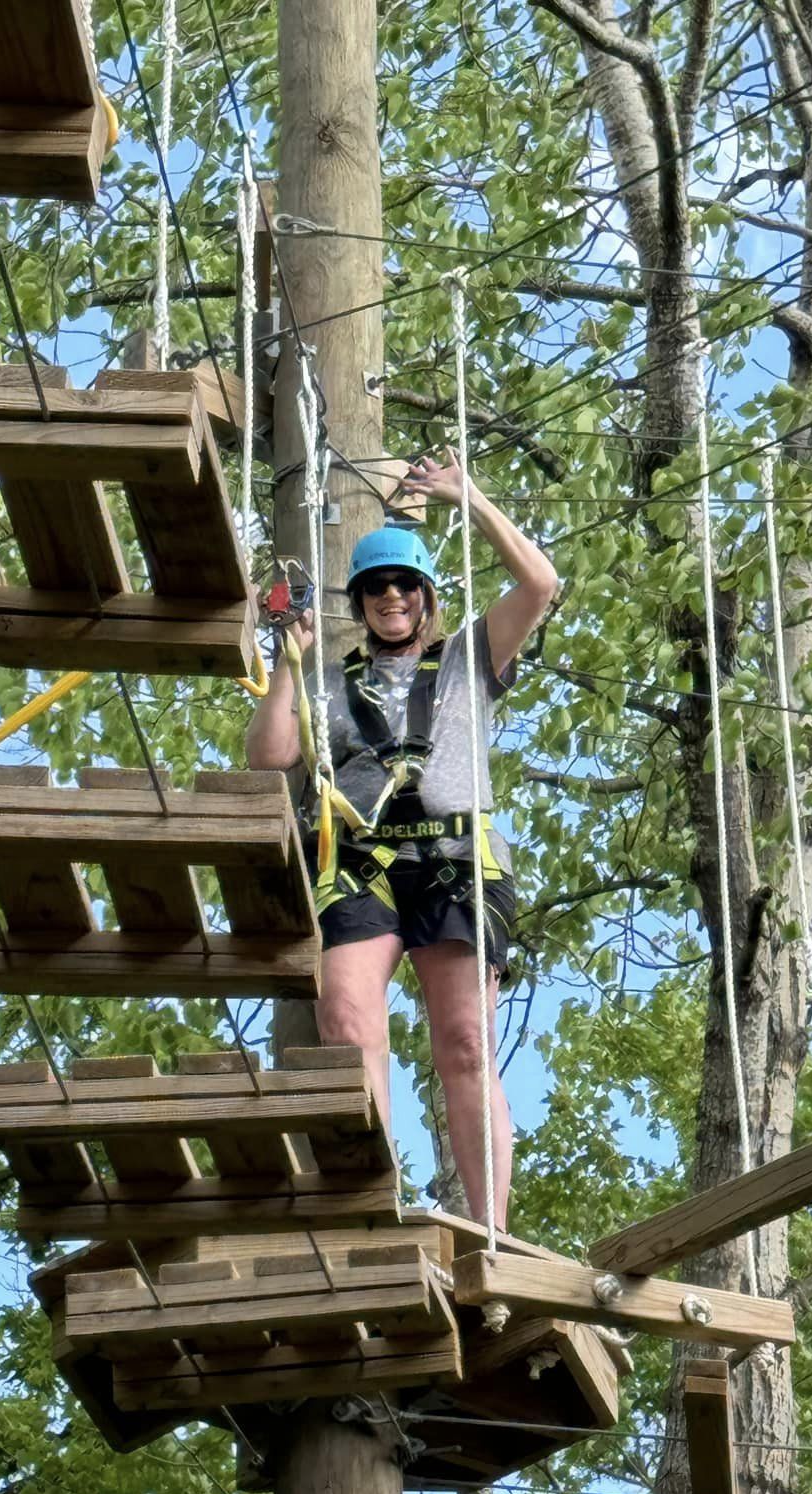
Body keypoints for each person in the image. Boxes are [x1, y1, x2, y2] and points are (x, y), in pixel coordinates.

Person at [246, 452, 558, 1228]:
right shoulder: (329, 681)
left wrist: (468, 496)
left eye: (404, 586)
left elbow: (541, 586)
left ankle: (490, 1228)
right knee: (347, 1025)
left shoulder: (467, 660)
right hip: (363, 863)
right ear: (360, 603)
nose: (391, 597)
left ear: (425, 597)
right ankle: (373, 1208)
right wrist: (290, 652)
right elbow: (269, 754)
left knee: (462, 1043)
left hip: (453, 862)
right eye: (376, 589)